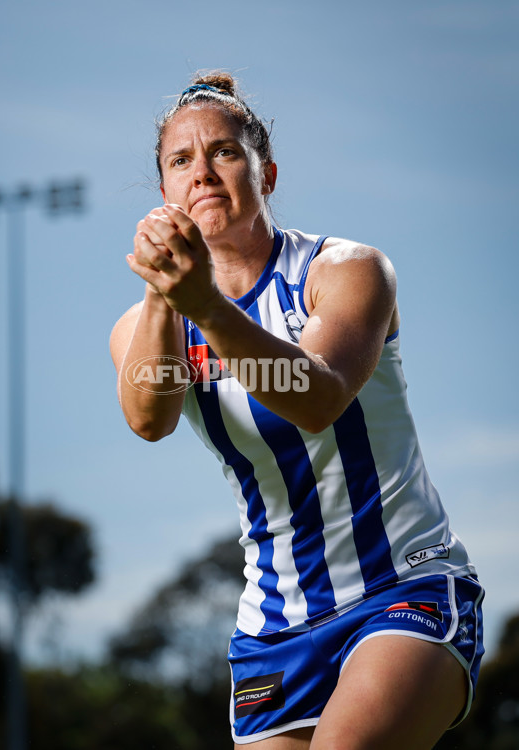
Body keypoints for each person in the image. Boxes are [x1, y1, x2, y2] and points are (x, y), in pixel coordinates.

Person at [110, 72, 484, 750]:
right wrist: (168, 297)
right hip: (274, 629)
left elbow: (317, 397)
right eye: (180, 161)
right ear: (164, 192)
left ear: (267, 173)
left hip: (402, 590)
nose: (203, 173)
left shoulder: (346, 271)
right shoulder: (145, 322)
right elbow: (147, 418)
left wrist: (203, 305)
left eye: (224, 152)